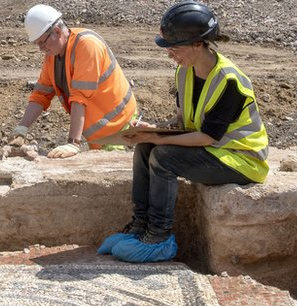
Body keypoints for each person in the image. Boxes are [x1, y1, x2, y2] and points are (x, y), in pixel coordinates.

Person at [99, 1, 269, 263]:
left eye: (174, 48)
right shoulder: (185, 71)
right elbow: (183, 120)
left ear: (197, 44)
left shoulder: (229, 81)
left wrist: (158, 138)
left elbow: (207, 137)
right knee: (145, 149)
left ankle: (159, 237)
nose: (170, 54)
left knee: (164, 157)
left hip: (241, 160)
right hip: (215, 150)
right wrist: (155, 130)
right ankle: (140, 227)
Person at [8, 4, 138, 158]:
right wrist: (22, 128)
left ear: (56, 31)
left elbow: (79, 97)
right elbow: (41, 94)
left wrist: (73, 143)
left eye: (42, 42)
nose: (41, 49)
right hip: (99, 132)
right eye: (37, 44)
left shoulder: (87, 45)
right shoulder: (53, 55)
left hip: (118, 127)